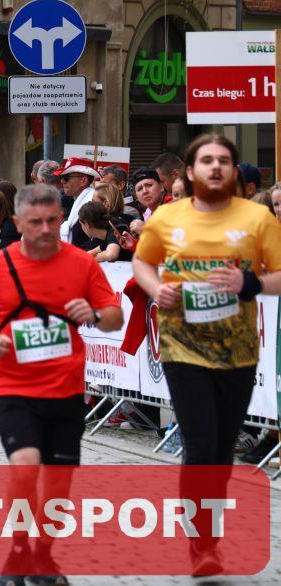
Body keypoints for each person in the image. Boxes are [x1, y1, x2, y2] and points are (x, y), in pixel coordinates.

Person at [0, 183, 123, 585]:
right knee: (26, 466)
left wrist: (94, 315)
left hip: (66, 388)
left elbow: (115, 315)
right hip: (15, 387)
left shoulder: (81, 264)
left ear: (60, 220)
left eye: (51, 221)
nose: (45, 229)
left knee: (59, 480)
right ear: (18, 223)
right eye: (35, 222)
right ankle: (17, 555)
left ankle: (43, 555)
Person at [132, 133, 281, 577]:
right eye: (206, 160)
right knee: (199, 445)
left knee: (220, 448)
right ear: (191, 172)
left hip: (238, 350)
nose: (215, 167)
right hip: (183, 346)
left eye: (223, 161)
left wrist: (249, 284)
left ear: (233, 171)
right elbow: (142, 262)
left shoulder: (256, 218)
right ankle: (203, 544)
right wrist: (156, 288)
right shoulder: (168, 217)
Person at [54, 157, 100, 245]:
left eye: (66, 177)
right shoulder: (79, 202)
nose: (62, 181)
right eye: (61, 177)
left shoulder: (92, 204)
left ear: (83, 181)